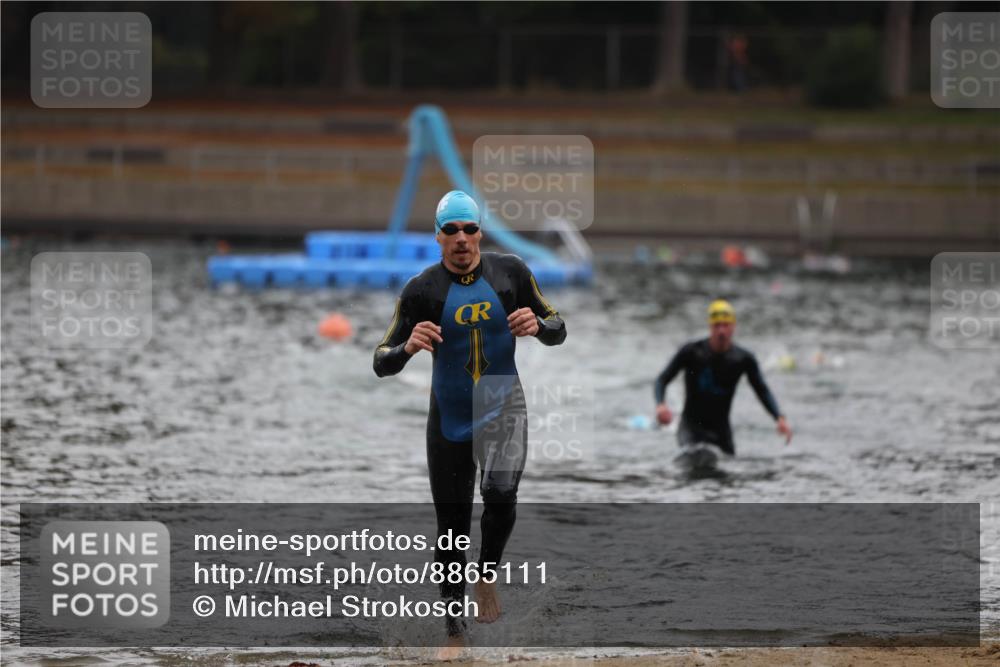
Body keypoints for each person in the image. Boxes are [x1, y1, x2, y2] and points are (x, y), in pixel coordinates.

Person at [373, 190, 566, 656]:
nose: (462, 239)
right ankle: (455, 631)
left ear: (480, 231)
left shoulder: (511, 273)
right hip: (450, 418)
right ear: (438, 237)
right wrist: (408, 347)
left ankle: (486, 574)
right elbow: (381, 360)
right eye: (451, 231)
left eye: (470, 229)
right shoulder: (421, 291)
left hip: (504, 406)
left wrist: (539, 328)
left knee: (501, 494)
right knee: (452, 526)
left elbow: (558, 325)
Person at [654, 300, 791, 460]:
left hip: (721, 431)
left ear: (733, 327)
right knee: (696, 461)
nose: (721, 331)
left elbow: (761, 389)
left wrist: (779, 417)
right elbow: (662, 380)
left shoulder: (743, 359)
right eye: (717, 325)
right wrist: (660, 405)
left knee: (727, 471)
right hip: (691, 428)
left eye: (726, 325)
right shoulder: (691, 352)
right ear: (710, 327)